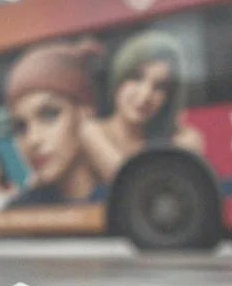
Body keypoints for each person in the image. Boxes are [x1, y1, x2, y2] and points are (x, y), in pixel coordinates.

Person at [78, 30, 204, 184]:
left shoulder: (180, 140)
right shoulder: (85, 133)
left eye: (159, 87)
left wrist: (91, 136)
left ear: (168, 98)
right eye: (136, 78)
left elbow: (137, 184)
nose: (145, 96)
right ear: (119, 78)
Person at [4, 38, 108, 207]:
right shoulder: (19, 210)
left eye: (49, 115)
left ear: (85, 113)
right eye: (20, 127)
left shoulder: (120, 202)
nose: (33, 140)